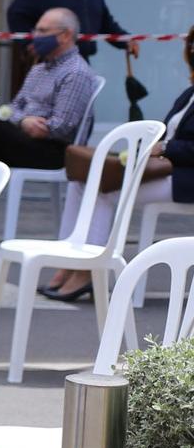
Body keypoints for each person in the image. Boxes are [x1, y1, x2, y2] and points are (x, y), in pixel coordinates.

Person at [42, 25, 194, 302]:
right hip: (164, 168)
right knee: (81, 182)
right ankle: (68, 260)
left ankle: (89, 271)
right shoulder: (189, 93)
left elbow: (178, 143)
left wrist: (165, 147)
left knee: (104, 190)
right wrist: (145, 143)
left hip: (184, 177)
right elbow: (164, 129)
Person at [0, 7, 98, 170]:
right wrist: (24, 121)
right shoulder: (38, 69)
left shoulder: (75, 72)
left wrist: (23, 122)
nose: (36, 36)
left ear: (65, 35)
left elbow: (61, 128)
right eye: (35, 30)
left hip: (55, 150)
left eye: (42, 31)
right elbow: (14, 107)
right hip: (25, 138)